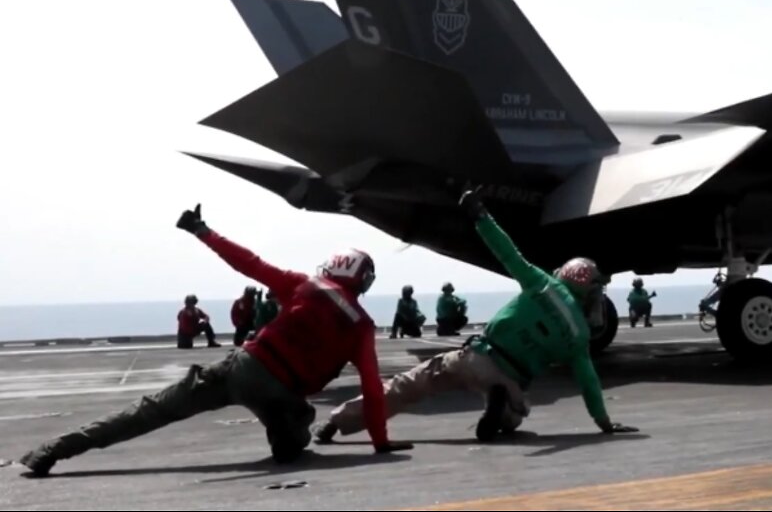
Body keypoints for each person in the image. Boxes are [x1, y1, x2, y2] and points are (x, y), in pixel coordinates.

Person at [17, 204, 411, 478]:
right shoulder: (361, 324)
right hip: (281, 395)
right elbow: (373, 390)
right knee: (294, 440)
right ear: (363, 280)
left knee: (149, 410)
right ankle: (296, 425)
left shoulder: (303, 285)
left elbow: (249, 262)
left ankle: (50, 450)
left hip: (241, 367)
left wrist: (202, 231)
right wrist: (380, 442)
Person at [311, 187, 638, 444]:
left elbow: (506, 250)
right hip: (510, 377)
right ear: (591, 291)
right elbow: (589, 383)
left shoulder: (540, 283)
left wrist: (479, 214)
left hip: (475, 356)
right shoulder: (579, 336)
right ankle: (503, 407)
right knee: (517, 414)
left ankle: (335, 422)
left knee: (403, 387)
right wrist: (604, 423)